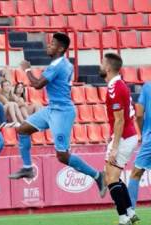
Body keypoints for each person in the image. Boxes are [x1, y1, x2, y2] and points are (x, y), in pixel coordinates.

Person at [8, 33, 107, 197]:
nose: (48, 45)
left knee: (62, 156)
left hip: (62, 112)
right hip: (52, 109)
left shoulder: (58, 65)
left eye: (52, 43)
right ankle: (27, 168)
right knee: (22, 129)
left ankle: (98, 176)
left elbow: (37, 85)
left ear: (61, 48)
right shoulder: (63, 63)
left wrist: (26, 69)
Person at [99, 53, 139, 225]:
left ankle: (123, 218)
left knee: (111, 178)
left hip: (124, 137)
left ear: (108, 67)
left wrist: (115, 146)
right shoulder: (120, 84)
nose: (100, 66)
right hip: (127, 135)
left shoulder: (114, 88)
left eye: (102, 63)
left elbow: (120, 119)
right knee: (112, 174)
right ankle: (130, 213)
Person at [128, 82, 151, 221]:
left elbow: (139, 114)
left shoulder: (148, 87)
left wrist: (142, 133)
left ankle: (130, 214)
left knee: (136, 173)